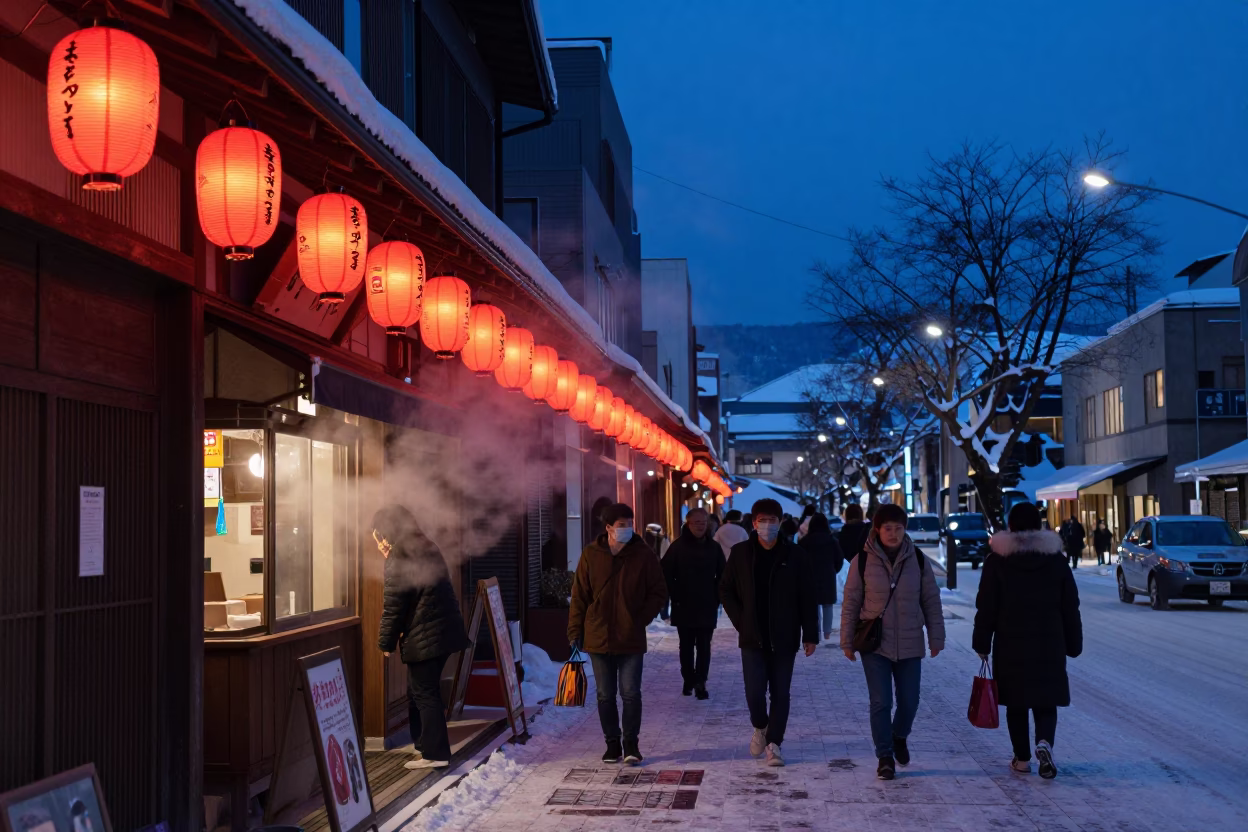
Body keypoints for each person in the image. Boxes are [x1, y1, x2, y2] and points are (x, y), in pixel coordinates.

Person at [973, 502, 1082, 780]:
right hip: (1050, 642)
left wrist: (982, 642)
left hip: (1011, 643)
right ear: (1039, 525)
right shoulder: (1056, 560)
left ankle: (1022, 759)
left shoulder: (997, 561)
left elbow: (987, 605)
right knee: (1046, 701)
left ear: (1011, 526)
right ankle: (1044, 742)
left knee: (1017, 704)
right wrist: (1073, 642)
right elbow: (1070, 604)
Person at [840, 503, 945, 781]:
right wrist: (846, 641)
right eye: (888, 528)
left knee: (909, 702)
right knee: (881, 702)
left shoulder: (919, 560)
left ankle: (899, 736)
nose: (894, 533)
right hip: (875, 644)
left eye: (899, 528)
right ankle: (884, 756)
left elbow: (931, 600)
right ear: (877, 530)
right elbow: (851, 602)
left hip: (911, 641)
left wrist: (936, 636)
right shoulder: (861, 561)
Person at [720, 498, 819, 767]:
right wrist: (741, 620)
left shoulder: (794, 555)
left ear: (780, 522)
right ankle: (760, 726)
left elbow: (808, 596)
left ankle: (774, 743)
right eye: (762, 520)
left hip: (785, 635)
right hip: (752, 635)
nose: (767, 525)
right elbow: (726, 589)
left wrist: (811, 634)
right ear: (753, 523)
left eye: (772, 520)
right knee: (754, 692)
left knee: (780, 692)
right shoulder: (741, 553)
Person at [568, 503, 668, 765]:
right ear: (609, 528)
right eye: (621, 524)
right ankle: (612, 743)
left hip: (630, 635)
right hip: (598, 635)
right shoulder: (591, 554)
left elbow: (658, 591)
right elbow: (580, 595)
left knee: (631, 692)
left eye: (629, 523)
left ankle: (631, 744)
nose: (626, 528)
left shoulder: (643, 555)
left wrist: (639, 618)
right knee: (604, 694)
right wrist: (575, 630)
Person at [374, 505, 472, 770]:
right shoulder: (425, 545)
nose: (379, 542)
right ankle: (424, 746)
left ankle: (436, 754)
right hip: (443, 631)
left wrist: (385, 642)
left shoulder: (400, 556)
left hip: (426, 635)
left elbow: (395, 604)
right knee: (418, 691)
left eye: (380, 535)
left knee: (424, 692)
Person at [662, 508, 727, 699]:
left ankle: (701, 682)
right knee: (687, 645)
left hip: (707, 603)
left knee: (705, 645)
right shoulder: (678, 547)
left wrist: (718, 595)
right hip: (684, 603)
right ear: (687, 524)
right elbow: (665, 573)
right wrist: (675, 593)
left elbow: (723, 574)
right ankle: (688, 678)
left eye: (703, 522)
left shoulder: (714, 548)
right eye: (696, 522)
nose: (700, 526)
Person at [799, 513, 844, 641]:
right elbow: (839, 559)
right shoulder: (832, 540)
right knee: (827, 604)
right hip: (828, 575)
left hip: (810, 575)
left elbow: (799, 559)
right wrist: (833, 570)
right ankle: (827, 632)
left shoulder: (805, 541)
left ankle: (816, 630)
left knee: (814, 605)